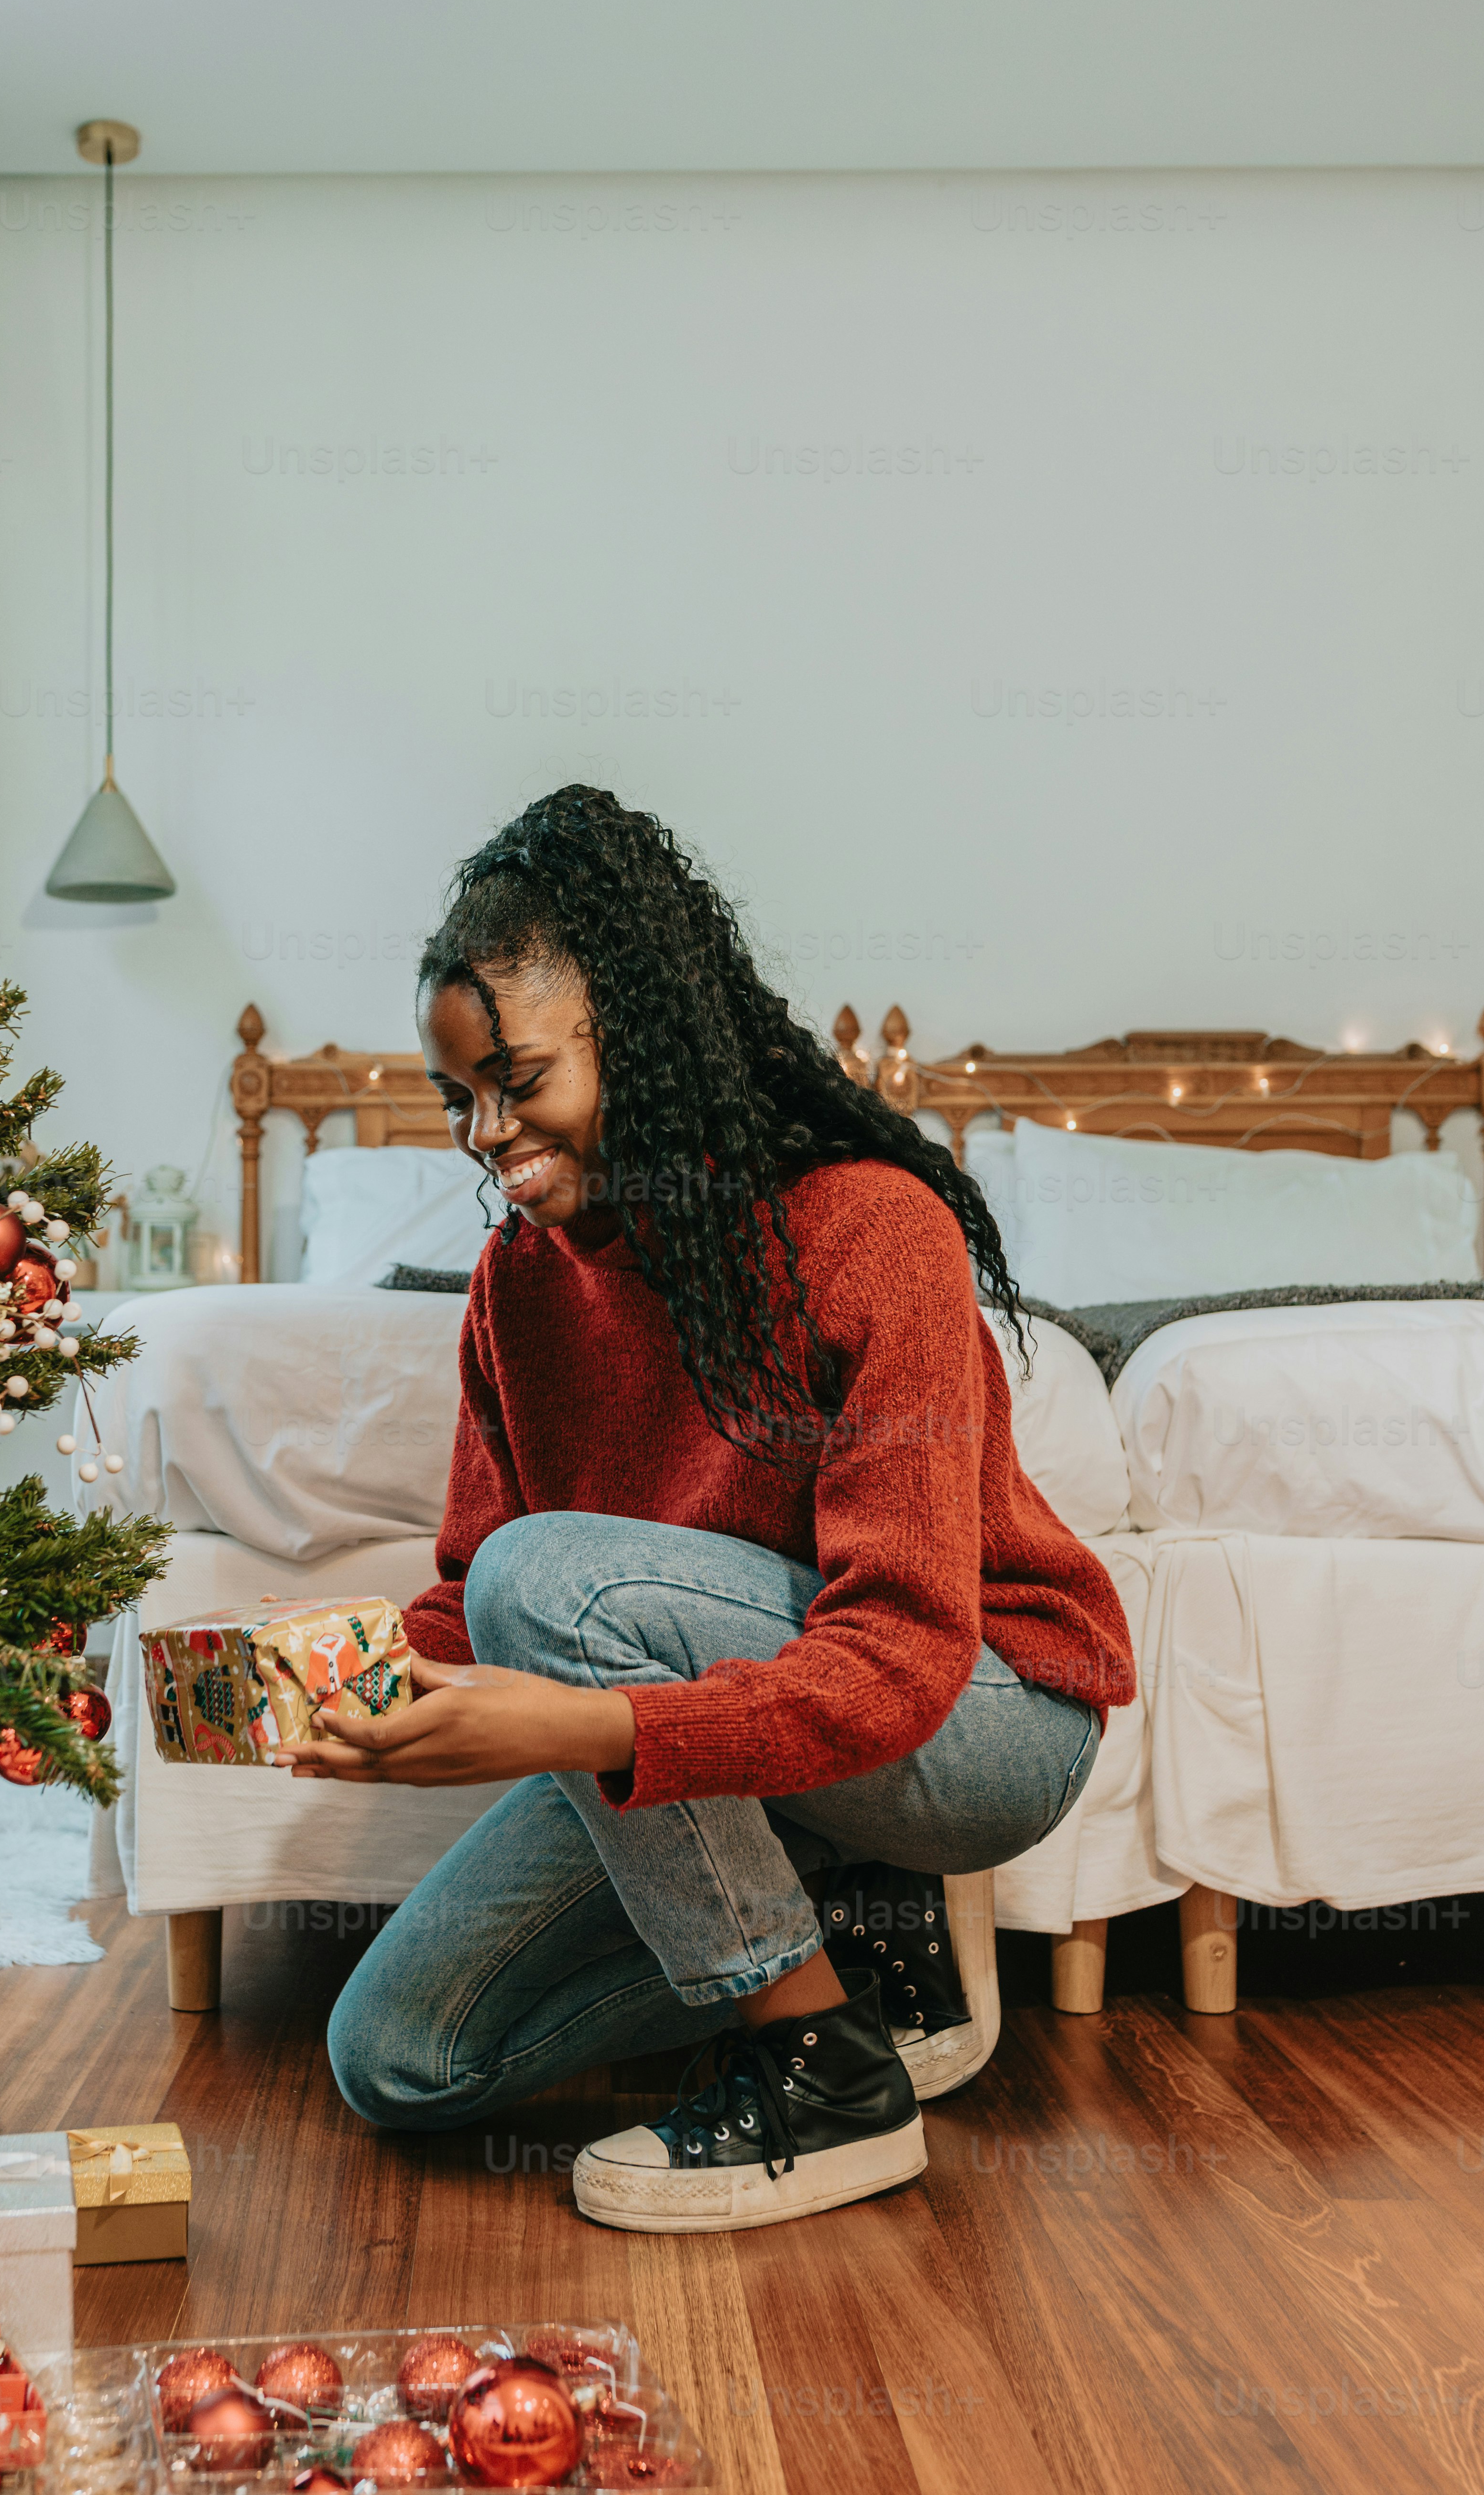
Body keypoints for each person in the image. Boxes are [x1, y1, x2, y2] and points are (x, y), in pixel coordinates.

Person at [285, 788, 1134, 2234]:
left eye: (521, 1080)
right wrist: (328, 1682)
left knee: (544, 1581)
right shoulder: (518, 1288)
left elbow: (897, 1652)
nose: (486, 1131)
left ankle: (816, 2065)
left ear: (640, 1031)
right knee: (398, 2062)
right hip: (753, 1724)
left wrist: (582, 1725)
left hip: (977, 1714)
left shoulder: (868, 1229)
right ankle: (862, 1933)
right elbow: (464, 1589)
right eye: (458, 1099)